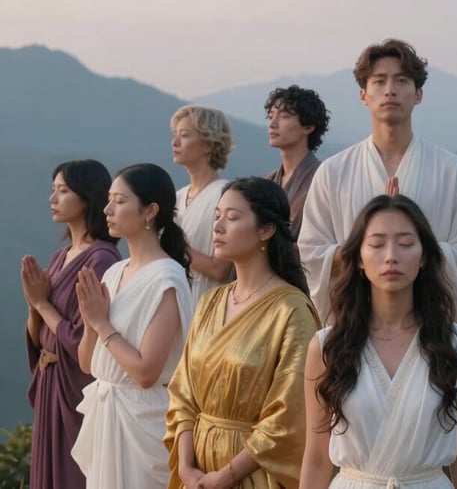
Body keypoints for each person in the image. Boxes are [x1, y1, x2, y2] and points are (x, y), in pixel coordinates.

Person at [300, 194, 457, 488]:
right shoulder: (328, 347)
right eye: (376, 244)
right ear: (359, 258)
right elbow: (317, 459)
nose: (391, 256)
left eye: (406, 243)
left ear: (424, 257)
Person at [299, 39, 457, 323]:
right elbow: (312, 252)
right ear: (363, 94)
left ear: (418, 94)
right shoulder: (333, 172)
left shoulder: (452, 171)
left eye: (401, 80)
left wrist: (412, 247)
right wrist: (366, 247)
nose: (390, 90)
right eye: (379, 81)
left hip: (428, 321)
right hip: (354, 320)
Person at [166, 177, 320, 489]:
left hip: (253, 473)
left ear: (266, 230)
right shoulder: (210, 301)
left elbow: (289, 414)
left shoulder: (291, 311)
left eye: (232, 218)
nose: (218, 227)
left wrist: (226, 476)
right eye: (217, 216)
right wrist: (186, 468)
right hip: (196, 472)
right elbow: (182, 392)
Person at [71, 163, 194, 489]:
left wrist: (102, 324)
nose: (107, 210)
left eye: (120, 201)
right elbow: (87, 363)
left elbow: (146, 373)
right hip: (107, 412)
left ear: (150, 211)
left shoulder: (167, 279)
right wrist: (90, 320)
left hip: (143, 421)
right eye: (109, 200)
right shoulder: (115, 272)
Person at [21, 160, 120, 489]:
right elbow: (41, 338)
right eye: (53, 190)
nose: (53, 199)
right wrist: (34, 308)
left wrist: (42, 304)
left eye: (62, 191)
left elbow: (82, 339)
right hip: (50, 379)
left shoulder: (101, 259)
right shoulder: (59, 257)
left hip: (74, 389)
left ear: (87, 197)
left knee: (70, 475)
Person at [170, 104, 234, 303]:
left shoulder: (226, 195)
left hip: (208, 303)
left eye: (184, 135)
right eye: (175, 134)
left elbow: (220, 269)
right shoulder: (177, 197)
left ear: (208, 143)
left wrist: (174, 246)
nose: (175, 142)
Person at [264, 85, 330, 239]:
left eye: (284, 116)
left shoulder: (323, 178)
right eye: (270, 116)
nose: (272, 124)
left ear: (308, 127)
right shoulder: (268, 182)